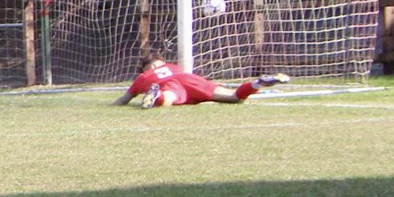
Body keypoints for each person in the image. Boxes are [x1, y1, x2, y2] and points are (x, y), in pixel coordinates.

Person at [114, 57, 290, 109]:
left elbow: (124, 99)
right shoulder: (173, 66)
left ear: (147, 68)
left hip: (170, 85)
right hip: (190, 79)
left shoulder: (143, 77)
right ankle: (257, 83)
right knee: (234, 97)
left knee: (169, 98)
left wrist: (112, 105)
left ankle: (156, 95)